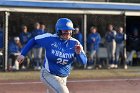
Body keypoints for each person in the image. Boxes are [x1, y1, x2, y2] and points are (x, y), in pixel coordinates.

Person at [17, 18, 87, 93]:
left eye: (70, 30)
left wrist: (79, 53)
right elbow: (34, 40)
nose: (68, 32)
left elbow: (83, 62)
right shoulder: (50, 38)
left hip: (63, 77)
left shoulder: (75, 43)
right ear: (58, 30)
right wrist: (23, 54)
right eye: (65, 30)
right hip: (48, 74)